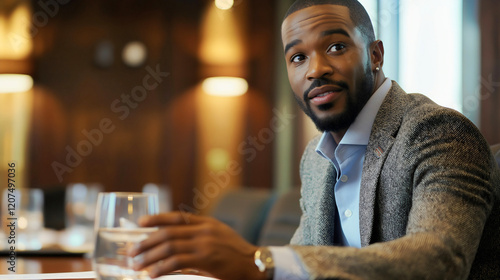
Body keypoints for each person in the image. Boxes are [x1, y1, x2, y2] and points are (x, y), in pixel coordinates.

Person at [127, 0, 500, 279]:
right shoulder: (317, 158)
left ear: (375, 55)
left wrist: (258, 261)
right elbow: (302, 259)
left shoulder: (437, 132)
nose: (315, 70)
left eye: (336, 47)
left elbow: (439, 261)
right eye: (298, 57)